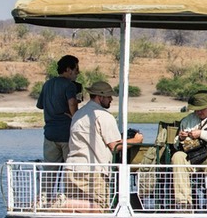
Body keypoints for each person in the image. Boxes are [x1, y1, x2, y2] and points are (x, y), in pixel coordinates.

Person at [63, 81, 143, 209]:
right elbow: (115, 146)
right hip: (93, 171)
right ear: (100, 97)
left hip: (72, 167)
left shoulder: (78, 114)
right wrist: (136, 140)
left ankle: (59, 202)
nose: (111, 99)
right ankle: (59, 202)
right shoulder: (104, 116)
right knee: (100, 206)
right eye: (108, 96)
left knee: (76, 206)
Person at [35, 55, 79, 203]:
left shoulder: (47, 84)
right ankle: (68, 200)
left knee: (50, 170)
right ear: (68, 70)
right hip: (66, 134)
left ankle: (44, 199)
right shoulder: (69, 86)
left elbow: (40, 105)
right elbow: (72, 103)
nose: (77, 73)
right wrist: (75, 116)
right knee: (70, 170)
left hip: (49, 134)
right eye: (76, 69)